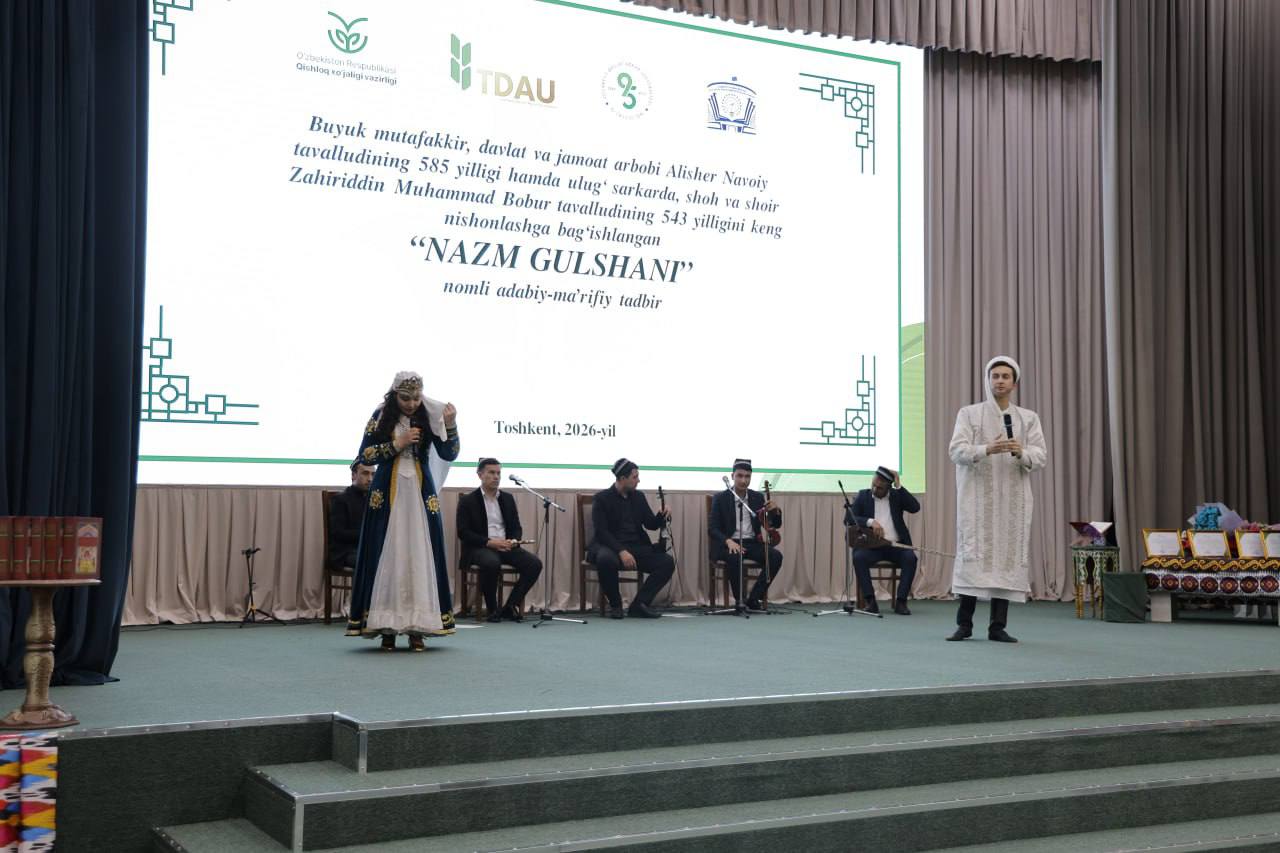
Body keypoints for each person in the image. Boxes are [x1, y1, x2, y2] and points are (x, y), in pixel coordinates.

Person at [346, 371, 460, 651]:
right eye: (405, 398)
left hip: (420, 496)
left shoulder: (429, 416)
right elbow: (365, 455)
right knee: (389, 554)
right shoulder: (381, 415)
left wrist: (450, 425)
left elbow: (449, 453)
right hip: (387, 496)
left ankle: (417, 627)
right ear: (394, 395)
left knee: (419, 556)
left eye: (416, 398)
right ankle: (386, 627)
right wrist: (398, 443)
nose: (411, 404)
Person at [946, 355, 1047, 643]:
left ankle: (997, 627)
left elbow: (1040, 455)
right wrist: (986, 449)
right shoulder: (969, 414)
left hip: (1012, 502)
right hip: (977, 502)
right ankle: (964, 624)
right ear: (988, 380)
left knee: (1005, 560)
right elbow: (956, 450)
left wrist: (1021, 452)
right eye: (995, 376)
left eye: (1005, 377)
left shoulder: (1028, 418)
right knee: (973, 559)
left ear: (1015, 383)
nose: (1000, 381)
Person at [455, 458, 543, 622]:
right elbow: (463, 532)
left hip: (505, 546)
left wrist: (513, 541)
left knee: (534, 564)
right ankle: (492, 609)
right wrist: (490, 542)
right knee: (491, 563)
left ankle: (510, 606)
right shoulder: (468, 501)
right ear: (480, 475)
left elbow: (516, 527)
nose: (496, 477)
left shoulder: (507, 498)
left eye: (498, 473)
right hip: (480, 547)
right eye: (491, 473)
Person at [587, 458, 675, 619]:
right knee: (606, 560)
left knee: (667, 562)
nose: (638, 480)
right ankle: (616, 605)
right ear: (622, 478)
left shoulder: (638, 497)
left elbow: (650, 524)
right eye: (635, 477)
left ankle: (639, 605)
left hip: (636, 546)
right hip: (610, 546)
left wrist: (661, 514)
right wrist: (621, 551)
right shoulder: (602, 498)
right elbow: (602, 532)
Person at [708, 458, 783, 610]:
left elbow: (774, 525)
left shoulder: (757, 498)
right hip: (728, 543)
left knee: (775, 557)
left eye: (747, 476)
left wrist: (776, 512)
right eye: (740, 476)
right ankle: (740, 601)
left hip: (751, 542)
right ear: (732, 476)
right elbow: (712, 528)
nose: (743, 480)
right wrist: (728, 541)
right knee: (735, 556)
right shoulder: (720, 498)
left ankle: (754, 598)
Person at [847, 465, 920, 615]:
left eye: (880, 487)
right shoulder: (863, 496)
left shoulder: (896, 496)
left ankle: (901, 602)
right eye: (874, 484)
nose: (875, 489)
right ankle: (870, 601)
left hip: (895, 546)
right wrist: (870, 522)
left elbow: (915, 507)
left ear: (888, 487)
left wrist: (899, 486)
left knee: (910, 558)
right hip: (872, 547)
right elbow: (848, 518)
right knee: (859, 557)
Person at [329, 461, 375, 570]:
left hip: (368, 549)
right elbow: (338, 533)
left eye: (373, 474)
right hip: (346, 552)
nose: (370, 479)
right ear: (353, 475)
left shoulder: (375, 499)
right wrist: (368, 534)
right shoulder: (341, 499)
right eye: (365, 473)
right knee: (374, 561)